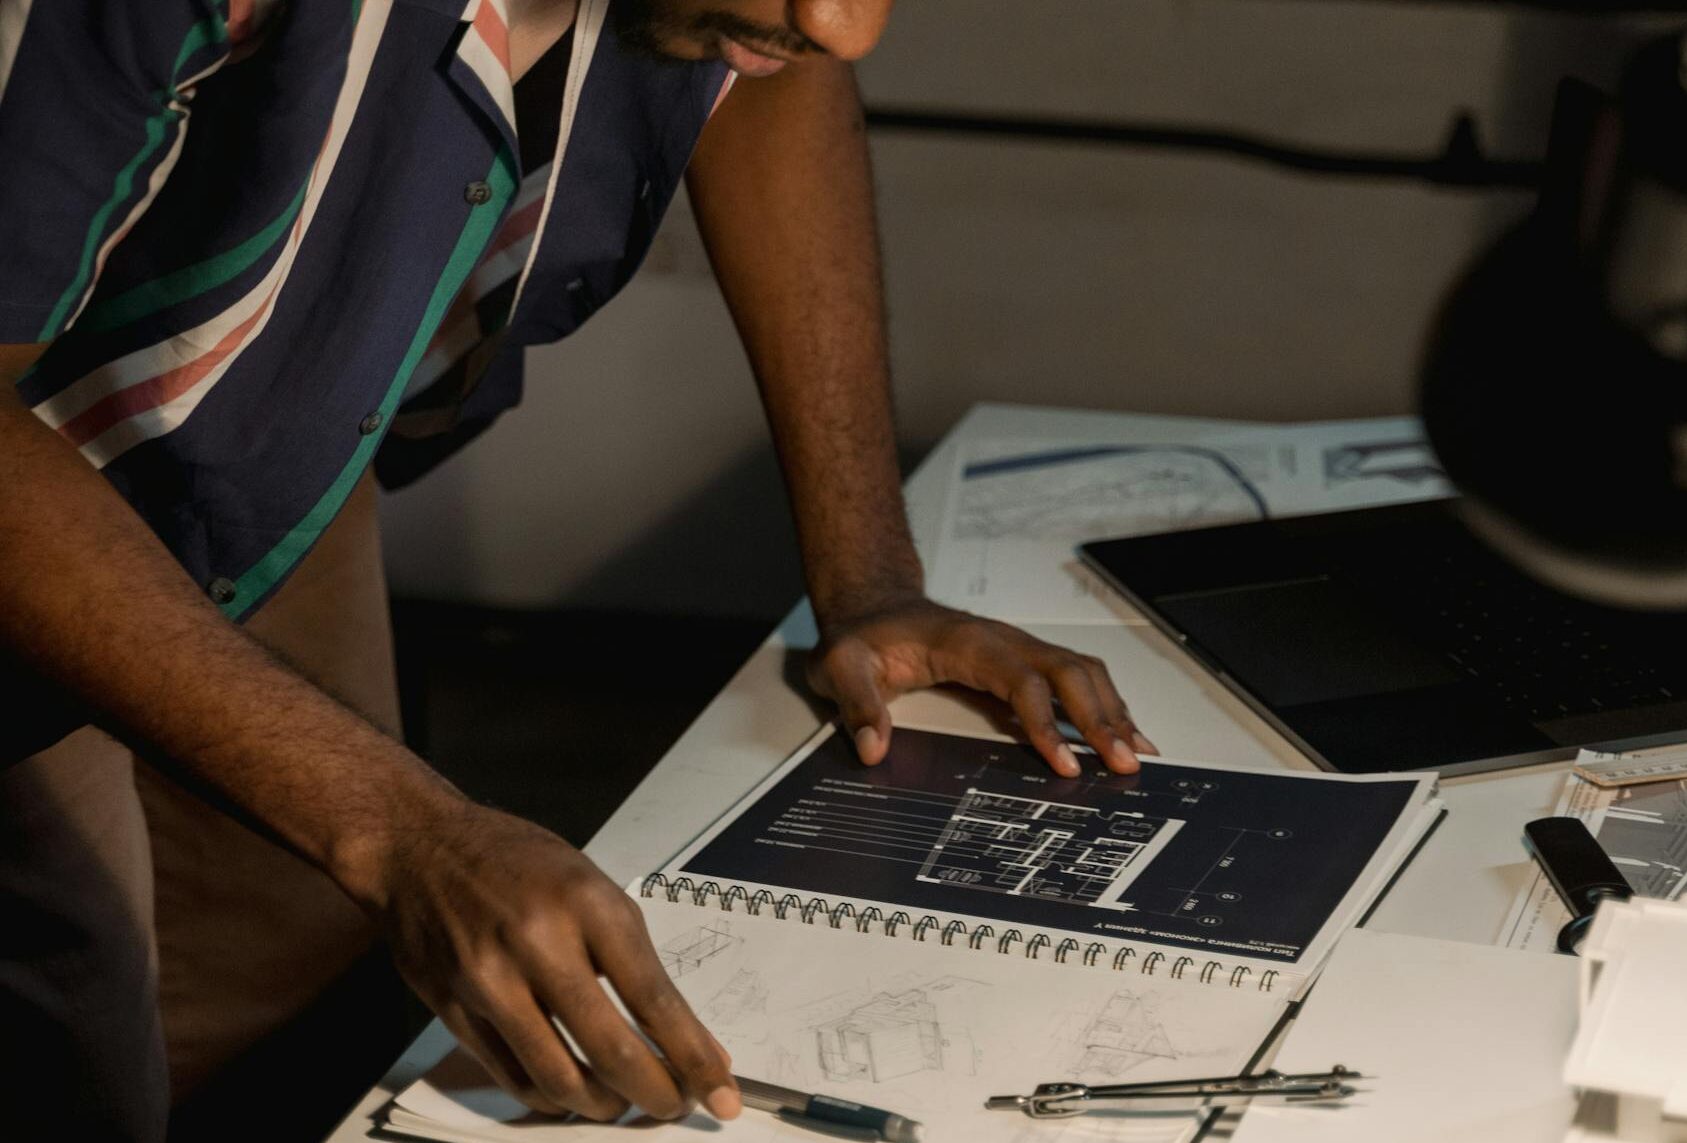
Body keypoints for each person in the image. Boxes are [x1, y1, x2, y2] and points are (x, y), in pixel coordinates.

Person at [0, 0, 1153, 1138]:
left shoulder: (758, 17)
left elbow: (766, 71)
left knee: (294, 962)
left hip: (243, 425)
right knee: (75, 1025)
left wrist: (869, 579)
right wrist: (402, 828)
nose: (850, 29)